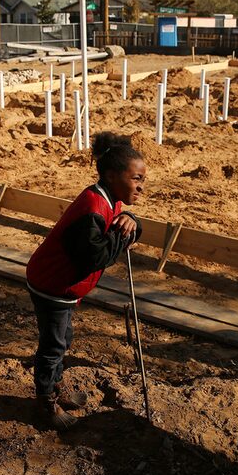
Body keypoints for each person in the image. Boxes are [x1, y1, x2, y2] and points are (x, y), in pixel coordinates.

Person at [26, 132, 145, 429]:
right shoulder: (91, 208)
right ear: (112, 175)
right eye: (137, 179)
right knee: (53, 345)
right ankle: (45, 401)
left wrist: (133, 221)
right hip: (52, 285)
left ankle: (55, 386)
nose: (142, 187)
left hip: (64, 286)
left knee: (63, 338)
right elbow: (96, 257)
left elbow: (120, 227)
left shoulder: (109, 199)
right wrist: (123, 233)